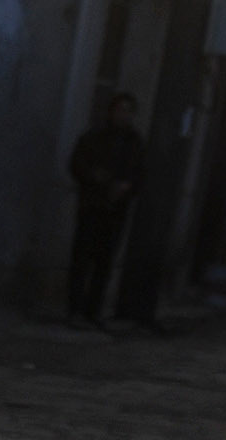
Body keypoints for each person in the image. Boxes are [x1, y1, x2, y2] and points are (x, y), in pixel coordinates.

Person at [68, 91, 145, 325]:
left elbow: (141, 174)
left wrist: (127, 187)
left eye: (128, 111)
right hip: (93, 205)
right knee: (82, 260)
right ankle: (75, 310)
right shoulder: (94, 138)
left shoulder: (135, 143)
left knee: (104, 262)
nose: (124, 115)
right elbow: (77, 165)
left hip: (116, 209)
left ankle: (93, 311)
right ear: (111, 112)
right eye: (120, 110)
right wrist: (97, 178)